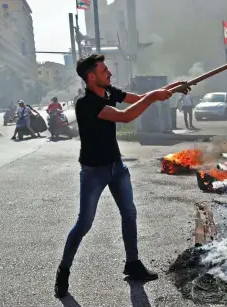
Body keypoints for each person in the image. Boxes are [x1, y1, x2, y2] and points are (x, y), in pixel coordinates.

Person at [54, 54, 190, 298]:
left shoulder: (108, 92)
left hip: (116, 167)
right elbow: (126, 116)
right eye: (105, 70)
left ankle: (133, 264)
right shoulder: (85, 103)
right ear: (91, 76)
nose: (110, 73)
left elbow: (138, 99)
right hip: (94, 171)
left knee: (129, 213)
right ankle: (63, 272)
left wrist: (173, 88)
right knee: (84, 223)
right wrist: (153, 97)